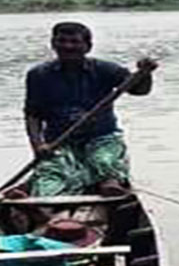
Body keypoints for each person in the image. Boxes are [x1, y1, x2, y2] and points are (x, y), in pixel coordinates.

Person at [23, 21, 157, 197]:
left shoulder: (105, 69)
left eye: (74, 42)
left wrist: (145, 74)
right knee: (51, 173)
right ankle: (43, 208)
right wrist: (38, 146)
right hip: (59, 141)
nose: (68, 46)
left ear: (87, 46)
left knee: (104, 162)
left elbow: (140, 90)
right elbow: (33, 114)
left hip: (102, 138)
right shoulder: (38, 75)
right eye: (62, 41)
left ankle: (110, 185)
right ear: (53, 44)